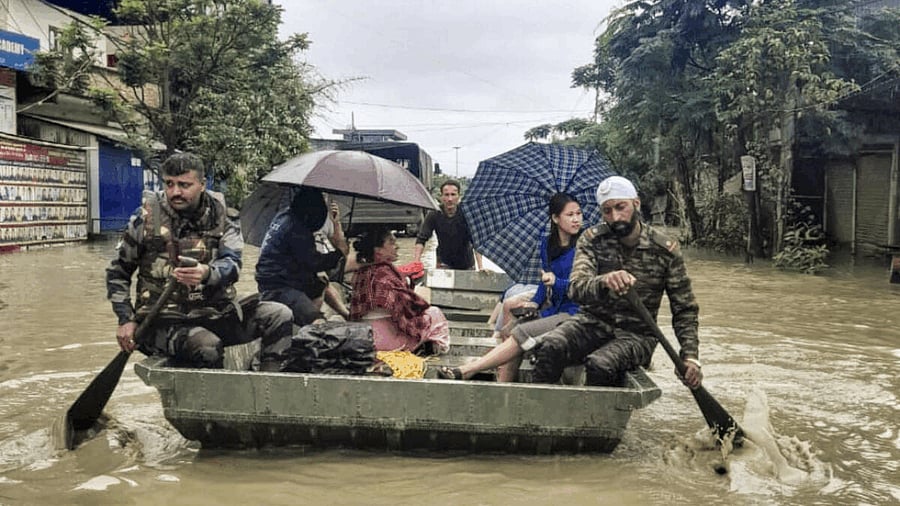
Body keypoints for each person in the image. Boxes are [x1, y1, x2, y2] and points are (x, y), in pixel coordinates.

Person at [107, 153, 294, 371]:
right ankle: (215, 400)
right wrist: (125, 319)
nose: (175, 192)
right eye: (169, 184)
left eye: (184, 185)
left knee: (279, 315)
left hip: (215, 313)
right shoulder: (145, 219)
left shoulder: (222, 216)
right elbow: (117, 272)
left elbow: (232, 264)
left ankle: (267, 390)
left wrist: (207, 273)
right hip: (163, 322)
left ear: (202, 185)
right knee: (207, 346)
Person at [530, 176, 702, 389]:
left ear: (636, 204)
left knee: (600, 365)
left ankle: (595, 421)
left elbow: (684, 309)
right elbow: (576, 288)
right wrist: (604, 281)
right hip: (591, 323)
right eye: (607, 211)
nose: (615, 217)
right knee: (550, 346)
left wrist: (690, 356)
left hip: (637, 335)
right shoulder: (592, 239)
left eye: (621, 207)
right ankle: (540, 410)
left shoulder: (665, 250)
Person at [437, 192, 584, 382]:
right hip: (552, 308)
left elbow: (583, 287)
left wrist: (557, 282)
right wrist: (535, 302)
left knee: (520, 332)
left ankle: (467, 370)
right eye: (570, 215)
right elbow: (543, 280)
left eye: (578, 214)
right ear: (555, 218)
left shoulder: (584, 246)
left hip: (574, 312)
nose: (576, 220)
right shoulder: (547, 244)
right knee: (509, 328)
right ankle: (504, 383)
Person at [349, 226, 450, 354]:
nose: (396, 246)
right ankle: (437, 348)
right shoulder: (384, 275)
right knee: (434, 313)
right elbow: (406, 309)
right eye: (391, 243)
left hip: (363, 336)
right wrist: (417, 299)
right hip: (385, 340)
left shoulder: (360, 273)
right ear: (378, 251)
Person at [256, 187, 347, 326]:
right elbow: (313, 262)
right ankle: (312, 324)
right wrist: (339, 253)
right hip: (279, 287)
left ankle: (345, 313)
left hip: (276, 278)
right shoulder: (296, 228)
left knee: (320, 283)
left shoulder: (284, 215)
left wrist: (336, 224)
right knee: (318, 323)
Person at [413, 179, 483, 270]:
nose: (450, 199)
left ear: (459, 196)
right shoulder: (434, 214)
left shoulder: (467, 214)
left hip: (467, 264)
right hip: (443, 262)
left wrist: (481, 267)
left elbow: (476, 242)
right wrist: (416, 262)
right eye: (446, 195)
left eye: (453, 195)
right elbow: (421, 239)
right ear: (441, 197)